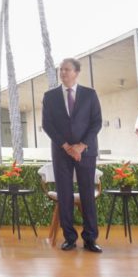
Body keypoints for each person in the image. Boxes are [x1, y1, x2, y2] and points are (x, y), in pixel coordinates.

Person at [41, 58, 103, 253]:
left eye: (67, 70)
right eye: (62, 70)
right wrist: (67, 146)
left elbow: (96, 122)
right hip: (61, 152)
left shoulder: (90, 94)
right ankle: (69, 237)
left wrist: (81, 146)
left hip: (86, 151)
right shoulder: (50, 96)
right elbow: (48, 124)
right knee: (65, 195)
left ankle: (90, 238)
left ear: (76, 72)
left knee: (87, 195)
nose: (63, 73)